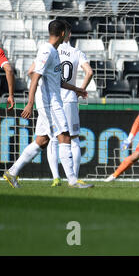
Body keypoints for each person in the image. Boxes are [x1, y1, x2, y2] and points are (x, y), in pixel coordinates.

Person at [2, 20, 93, 189]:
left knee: (42, 140)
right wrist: (30, 104)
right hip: (49, 103)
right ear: (63, 34)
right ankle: (72, 180)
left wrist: (77, 89)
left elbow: (57, 80)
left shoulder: (55, 52)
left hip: (52, 101)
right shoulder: (47, 50)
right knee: (65, 135)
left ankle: (12, 172)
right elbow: (35, 76)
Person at [35, 20, 93, 187]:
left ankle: (56, 178)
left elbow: (33, 71)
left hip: (51, 99)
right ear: (69, 33)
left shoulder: (51, 50)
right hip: (69, 100)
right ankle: (73, 177)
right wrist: (80, 89)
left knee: (53, 139)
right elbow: (89, 72)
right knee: (72, 139)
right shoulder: (76, 52)